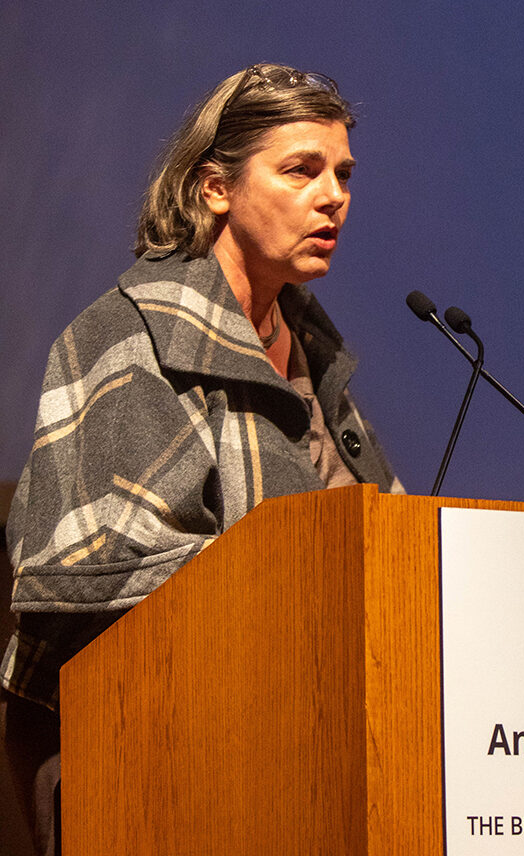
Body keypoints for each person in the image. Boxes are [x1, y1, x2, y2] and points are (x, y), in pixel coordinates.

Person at [1, 63, 402, 854]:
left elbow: (386, 550)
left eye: (344, 174)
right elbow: (91, 578)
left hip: (307, 747)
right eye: (302, 170)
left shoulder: (314, 354)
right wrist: (301, 582)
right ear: (215, 188)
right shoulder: (127, 336)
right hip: (151, 759)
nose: (333, 196)